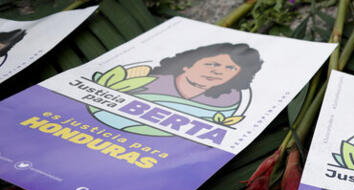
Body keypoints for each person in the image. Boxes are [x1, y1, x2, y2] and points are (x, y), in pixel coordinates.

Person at [92, 43, 262, 135]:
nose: (218, 71)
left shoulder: (229, 102)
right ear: (186, 65)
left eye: (230, 69)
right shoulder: (145, 82)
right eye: (212, 64)